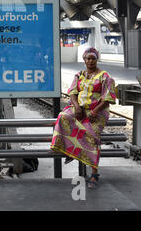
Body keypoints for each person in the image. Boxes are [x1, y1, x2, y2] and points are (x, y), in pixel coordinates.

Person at [50, 47, 117, 188]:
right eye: (88, 58)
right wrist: (76, 106)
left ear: (96, 59)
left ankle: (94, 173)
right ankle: (69, 150)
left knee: (92, 135)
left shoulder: (105, 77)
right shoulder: (79, 75)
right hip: (80, 109)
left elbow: (108, 99)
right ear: (84, 60)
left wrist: (94, 112)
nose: (90, 61)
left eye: (93, 58)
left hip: (97, 112)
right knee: (63, 117)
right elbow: (73, 92)